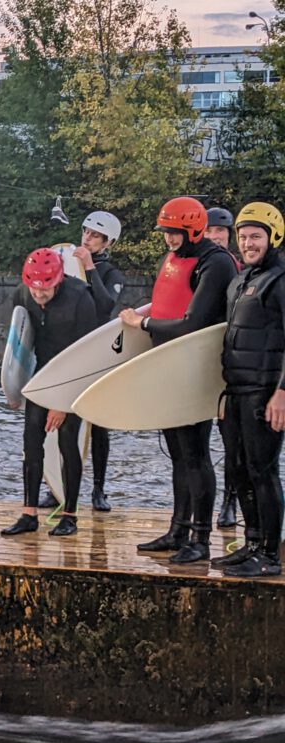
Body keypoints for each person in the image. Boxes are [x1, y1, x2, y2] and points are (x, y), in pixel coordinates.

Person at [120, 197, 237, 563]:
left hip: (195, 369)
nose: (169, 239)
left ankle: (200, 539)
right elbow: (168, 303)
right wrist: (142, 316)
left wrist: (143, 324)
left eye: (174, 233)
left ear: (193, 229)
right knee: (176, 454)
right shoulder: (174, 257)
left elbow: (194, 323)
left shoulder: (214, 263)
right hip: (168, 365)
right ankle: (177, 530)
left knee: (195, 454)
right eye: (166, 232)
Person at [1, 248, 96, 537]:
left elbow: (87, 355)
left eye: (46, 290)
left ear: (58, 280)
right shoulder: (22, 294)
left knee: (68, 444)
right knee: (31, 443)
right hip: (39, 376)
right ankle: (29, 513)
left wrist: (64, 403)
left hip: (73, 374)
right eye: (35, 290)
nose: (39, 296)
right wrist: (13, 386)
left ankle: (69, 515)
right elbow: (19, 344)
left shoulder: (80, 297)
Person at [214, 202, 285, 576]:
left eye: (255, 236)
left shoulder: (280, 279)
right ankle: (252, 543)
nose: (248, 243)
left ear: (273, 237)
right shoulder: (240, 281)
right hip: (236, 391)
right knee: (239, 469)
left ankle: (271, 554)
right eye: (243, 237)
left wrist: (282, 393)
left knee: (263, 469)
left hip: (266, 391)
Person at [73, 211, 126, 512]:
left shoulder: (111, 274)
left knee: (98, 425)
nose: (88, 238)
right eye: (86, 232)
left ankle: (98, 489)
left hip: (98, 352)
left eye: (95, 235)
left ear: (107, 242)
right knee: (63, 421)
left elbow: (105, 305)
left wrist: (90, 267)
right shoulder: (68, 263)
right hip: (70, 349)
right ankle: (60, 487)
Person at [206, 206, 241, 529]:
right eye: (209, 232)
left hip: (234, 366)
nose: (215, 237)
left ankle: (231, 500)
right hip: (202, 363)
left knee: (233, 439)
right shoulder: (199, 268)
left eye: (221, 232)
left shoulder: (238, 270)